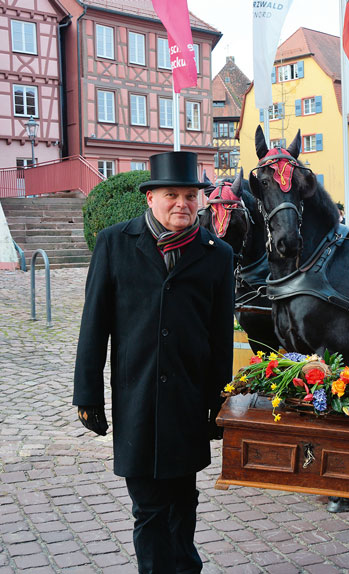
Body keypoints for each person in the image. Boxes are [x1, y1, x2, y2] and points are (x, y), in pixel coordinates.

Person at [73, 151, 235, 574]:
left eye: (189, 196)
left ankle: (186, 568)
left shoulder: (217, 253)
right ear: (150, 198)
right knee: (147, 507)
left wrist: (220, 403)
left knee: (184, 499)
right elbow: (94, 325)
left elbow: (220, 337)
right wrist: (87, 393)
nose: (182, 203)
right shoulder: (114, 243)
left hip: (187, 397)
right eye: (171, 195)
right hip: (137, 396)